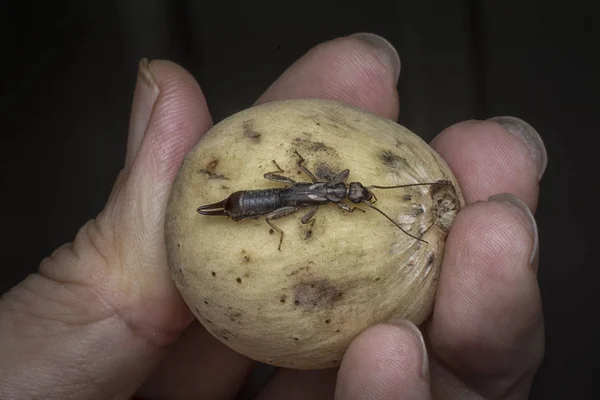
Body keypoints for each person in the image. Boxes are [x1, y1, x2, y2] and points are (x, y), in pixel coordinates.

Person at [0, 33, 545, 400]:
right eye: (351, 195)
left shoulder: (333, 191)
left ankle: (234, 207)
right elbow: (312, 193)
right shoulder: (334, 189)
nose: (349, 197)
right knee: (282, 202)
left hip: (262, 201)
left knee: (284, 202)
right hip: (257, 202)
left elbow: (307, 194)